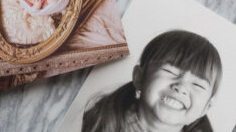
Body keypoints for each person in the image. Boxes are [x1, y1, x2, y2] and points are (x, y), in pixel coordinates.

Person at [82, 30, 222, 132]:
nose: (181, 87)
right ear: (139, 77)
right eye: (169, 71)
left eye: (197, 84)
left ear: (207, 107)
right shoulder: (104, 124)